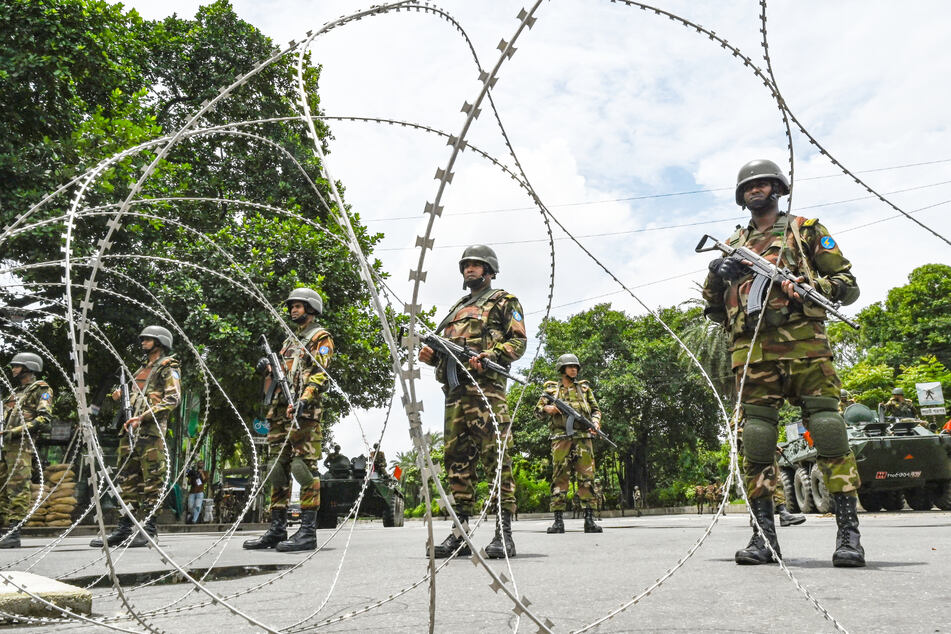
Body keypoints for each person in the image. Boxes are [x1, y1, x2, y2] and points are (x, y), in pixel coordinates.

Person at [702, 159, 865, 567]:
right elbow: (714, 311)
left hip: (806, 347)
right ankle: (763, 539)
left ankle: (849, 536)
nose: (755, 190)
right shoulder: (733, 242)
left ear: (778, 187)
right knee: (756, 440)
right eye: (748, 186)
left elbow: (847, 285)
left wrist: (809, 286)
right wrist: (720, 273)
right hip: (752, 354)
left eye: (763, 184)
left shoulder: (805, 230)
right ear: (741, 197)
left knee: (828, 432)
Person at [419, 245, 526, 559]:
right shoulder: (455, 310)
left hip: (487, 393)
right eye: (466, 264)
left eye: (477, 265)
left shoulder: (504, 301)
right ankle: (460, 535)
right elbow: (441, 349)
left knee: (497, 460)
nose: (470, 269)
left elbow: (518, 341)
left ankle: (502, 534)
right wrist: (430, 355)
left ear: (490, 271)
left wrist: (491, 355)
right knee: (457, 464)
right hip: (455, 396)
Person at [244, 288, 333, 553]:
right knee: (277, 469)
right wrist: (269, 369)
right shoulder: (288, 342)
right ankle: (277, 529)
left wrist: (305, 398)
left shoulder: (320, 337)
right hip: (281, 412)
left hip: (304, 412)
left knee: (302, 468)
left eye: (298, 306)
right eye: (292, 306)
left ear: (311, 308)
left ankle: (307, 532)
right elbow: (283, 374)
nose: (293, 310)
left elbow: (320, 373)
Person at [91, 326, 181, 548]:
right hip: (129, 431)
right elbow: (136, 398)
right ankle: (125, 528)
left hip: (150, 433)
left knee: (153, 481)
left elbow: (173, 399)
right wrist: (121, 395)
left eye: (148, 339)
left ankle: (148, 528)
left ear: (159, 342)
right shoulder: (141, 370)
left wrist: (143, 417)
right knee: (127, 482)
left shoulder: (167, 366)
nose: (143, 342)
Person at [536, 354, 604, 534]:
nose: (574, 369)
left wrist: (596, 423)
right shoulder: (551, 390)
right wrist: (547, 408)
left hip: (583, 438)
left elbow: (596, 410)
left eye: (576, 367)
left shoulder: (584, 389)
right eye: (570, 366)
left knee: (587, 477)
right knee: (560, 477)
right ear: (562, 369)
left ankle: (589, 520)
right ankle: (558, 521)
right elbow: (538, 411)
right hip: (561, 439)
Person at [1, 353, 53, 548]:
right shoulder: (14, 393)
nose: (13, 369)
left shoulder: (41, 390)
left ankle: (14, 533)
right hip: (5, 446)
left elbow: (44, 419)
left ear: (28, 367)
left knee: (18, 487)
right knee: (2, 490)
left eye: (17, 366)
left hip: (21, 445)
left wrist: (14, 431)